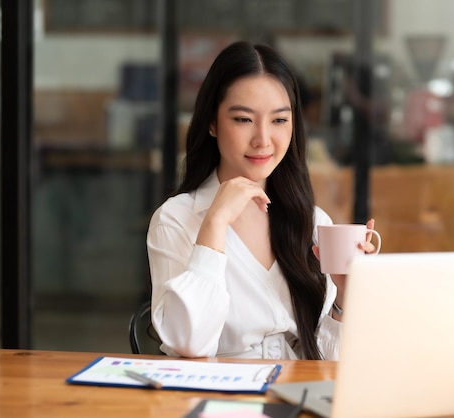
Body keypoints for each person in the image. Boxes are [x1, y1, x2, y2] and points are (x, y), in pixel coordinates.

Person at [146, 41, 376, 360]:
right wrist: (215, 223)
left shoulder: (313, 221)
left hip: (298, 400)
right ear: (212, 122)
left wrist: (344, 299)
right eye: (243, 119)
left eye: (279, 120)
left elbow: (327, 364)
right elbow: (187, 344)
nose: (263, 139)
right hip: (220, 405)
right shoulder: (176, 218)